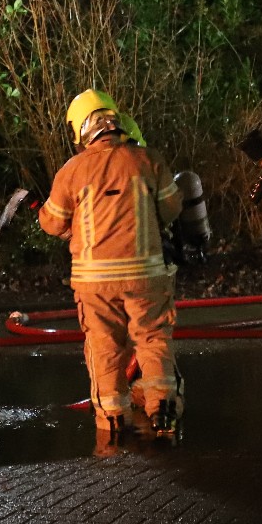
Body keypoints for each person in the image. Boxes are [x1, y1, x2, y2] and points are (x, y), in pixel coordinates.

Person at [39, 88, 185, 443]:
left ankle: (112, 425)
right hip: (146, 277)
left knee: (104, 347)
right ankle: (164, 411)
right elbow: (171, 210)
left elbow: (52, 223)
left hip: (95, 284)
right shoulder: (148, 160)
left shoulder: (72, 171)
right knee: (153, 339)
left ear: (80, 129)